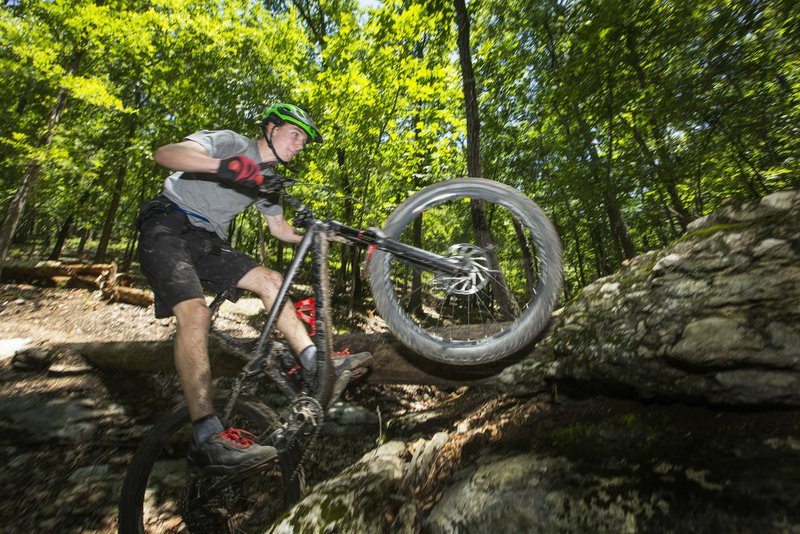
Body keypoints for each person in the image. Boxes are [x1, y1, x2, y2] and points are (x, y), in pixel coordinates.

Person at [136, 103, 372, 476]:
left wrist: (327, 235)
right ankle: (206, 437)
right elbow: (165, 154)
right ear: (270, 128)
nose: (300, 145)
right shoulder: (232, 144)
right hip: (167, 225)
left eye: (305, 141)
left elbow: (281, 231)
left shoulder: (268, 181)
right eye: (295, 135)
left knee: (272, 281)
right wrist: (225, 165)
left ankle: (315, 364)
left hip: (209, 242)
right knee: (195, 314)